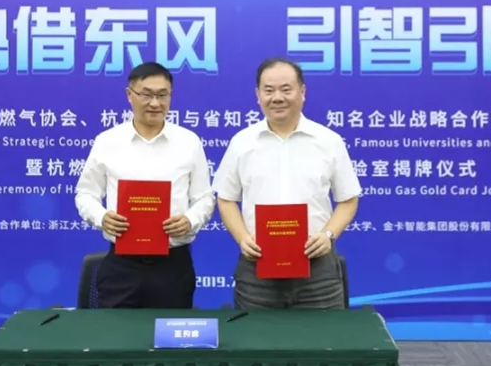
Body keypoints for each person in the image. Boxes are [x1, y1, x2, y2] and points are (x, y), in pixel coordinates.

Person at [212, 57, 361, 309]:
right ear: (258, 95)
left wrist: (328, 235)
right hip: (257, 267)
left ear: (302, 92)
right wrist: (242, 238)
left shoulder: (329, 141)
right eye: (268, 90)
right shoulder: (242, 142)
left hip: (317, 269)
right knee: (255, 334)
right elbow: (226, 198)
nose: (277, 98)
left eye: (286, 89)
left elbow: (348, 199)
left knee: (326, 335)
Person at [74, 62, 215, 309]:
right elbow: (85, 193)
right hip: (122, 265)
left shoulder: (189, 142)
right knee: (114, 331)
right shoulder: (108, 141)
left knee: (170, 332)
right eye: (146, 95)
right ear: (129, 95)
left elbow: (204, 198)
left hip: (173, 265)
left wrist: (190, 220)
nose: (155, 103)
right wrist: (102, 217)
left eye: (163, 95)